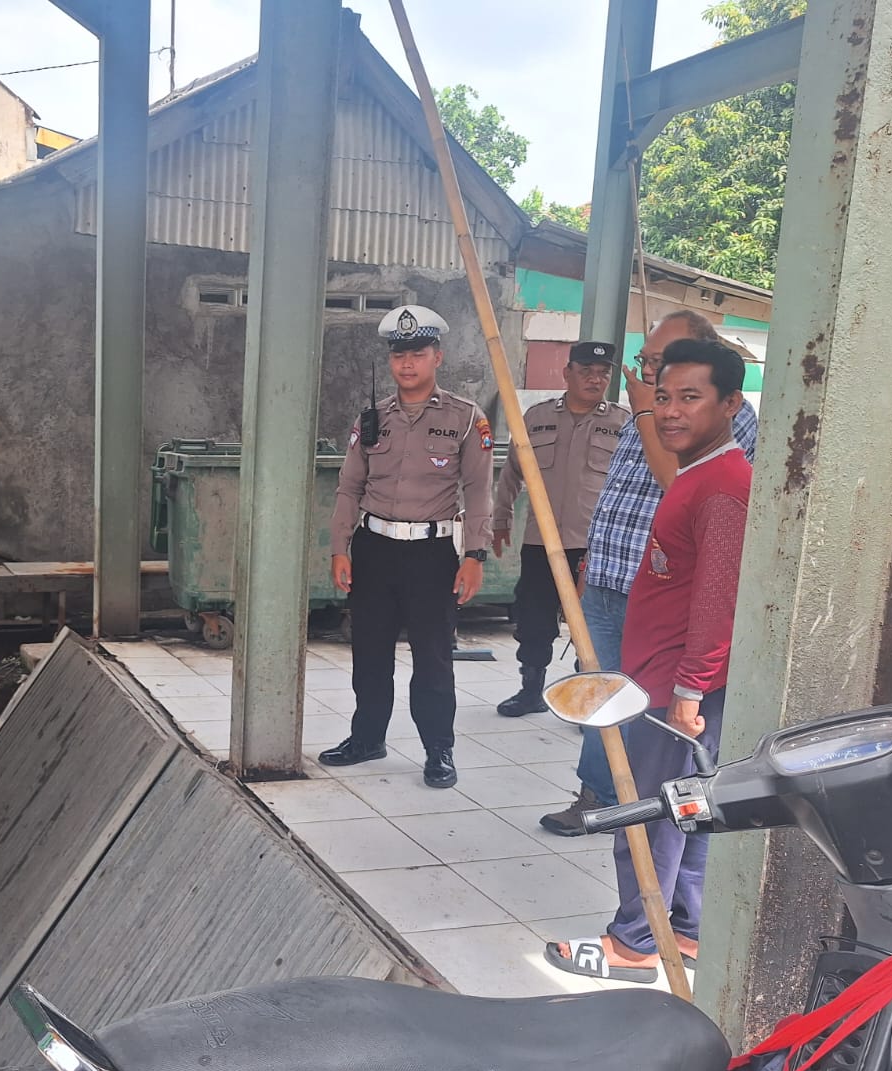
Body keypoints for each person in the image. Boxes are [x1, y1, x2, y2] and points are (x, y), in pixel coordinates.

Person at [545, 338, 753, 982]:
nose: (670, 411)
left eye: (691, 397)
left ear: (730, 404)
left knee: (652, 813)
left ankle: (634, 943)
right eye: (663, 397)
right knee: (688, 809)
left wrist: (689, 690)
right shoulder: (698, 474)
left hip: (675, 691)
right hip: (664, 681)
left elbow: (719, 601)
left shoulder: (723, 486)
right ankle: (685, 930)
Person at [320, 304, 494, 789]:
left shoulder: (466, 418)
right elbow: (349, 487)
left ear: (438, 356)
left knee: (433, 657)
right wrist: (340, 547)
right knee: (369, 652)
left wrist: (474, 556)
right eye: (399, 355)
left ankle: (438, 749)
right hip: (374, 550)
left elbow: (479, 490)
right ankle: (367, 738)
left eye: (418, 354)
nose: (407, 364)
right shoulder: (371, 419)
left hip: (432, 555)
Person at [491, 341, 627, 716]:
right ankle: (531, 690)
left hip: (595, 546)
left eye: (602, 373)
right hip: (540, 543)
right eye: (586, 372)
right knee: (533, 618)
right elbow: (511, 473)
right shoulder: (536, 418)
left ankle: (590, 700)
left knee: (593, 625)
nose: (595, 379)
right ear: (567, 373)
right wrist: (501, 518)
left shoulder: (624, 423)